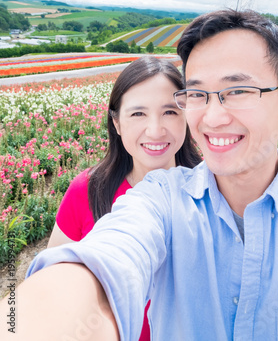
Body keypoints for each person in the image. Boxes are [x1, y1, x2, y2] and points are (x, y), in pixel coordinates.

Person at [2, 8, 278, 341]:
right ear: (116, 122)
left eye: (237, 91)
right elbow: (102, 268)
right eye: (198, 94)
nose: (214, 117)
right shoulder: (159, 201)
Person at [47, 55, 201, 340]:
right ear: (116, 123)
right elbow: (54, 287)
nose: (155, 130)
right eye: (138, 114)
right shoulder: (88, 191)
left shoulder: (210, 191)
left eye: (170, 112)